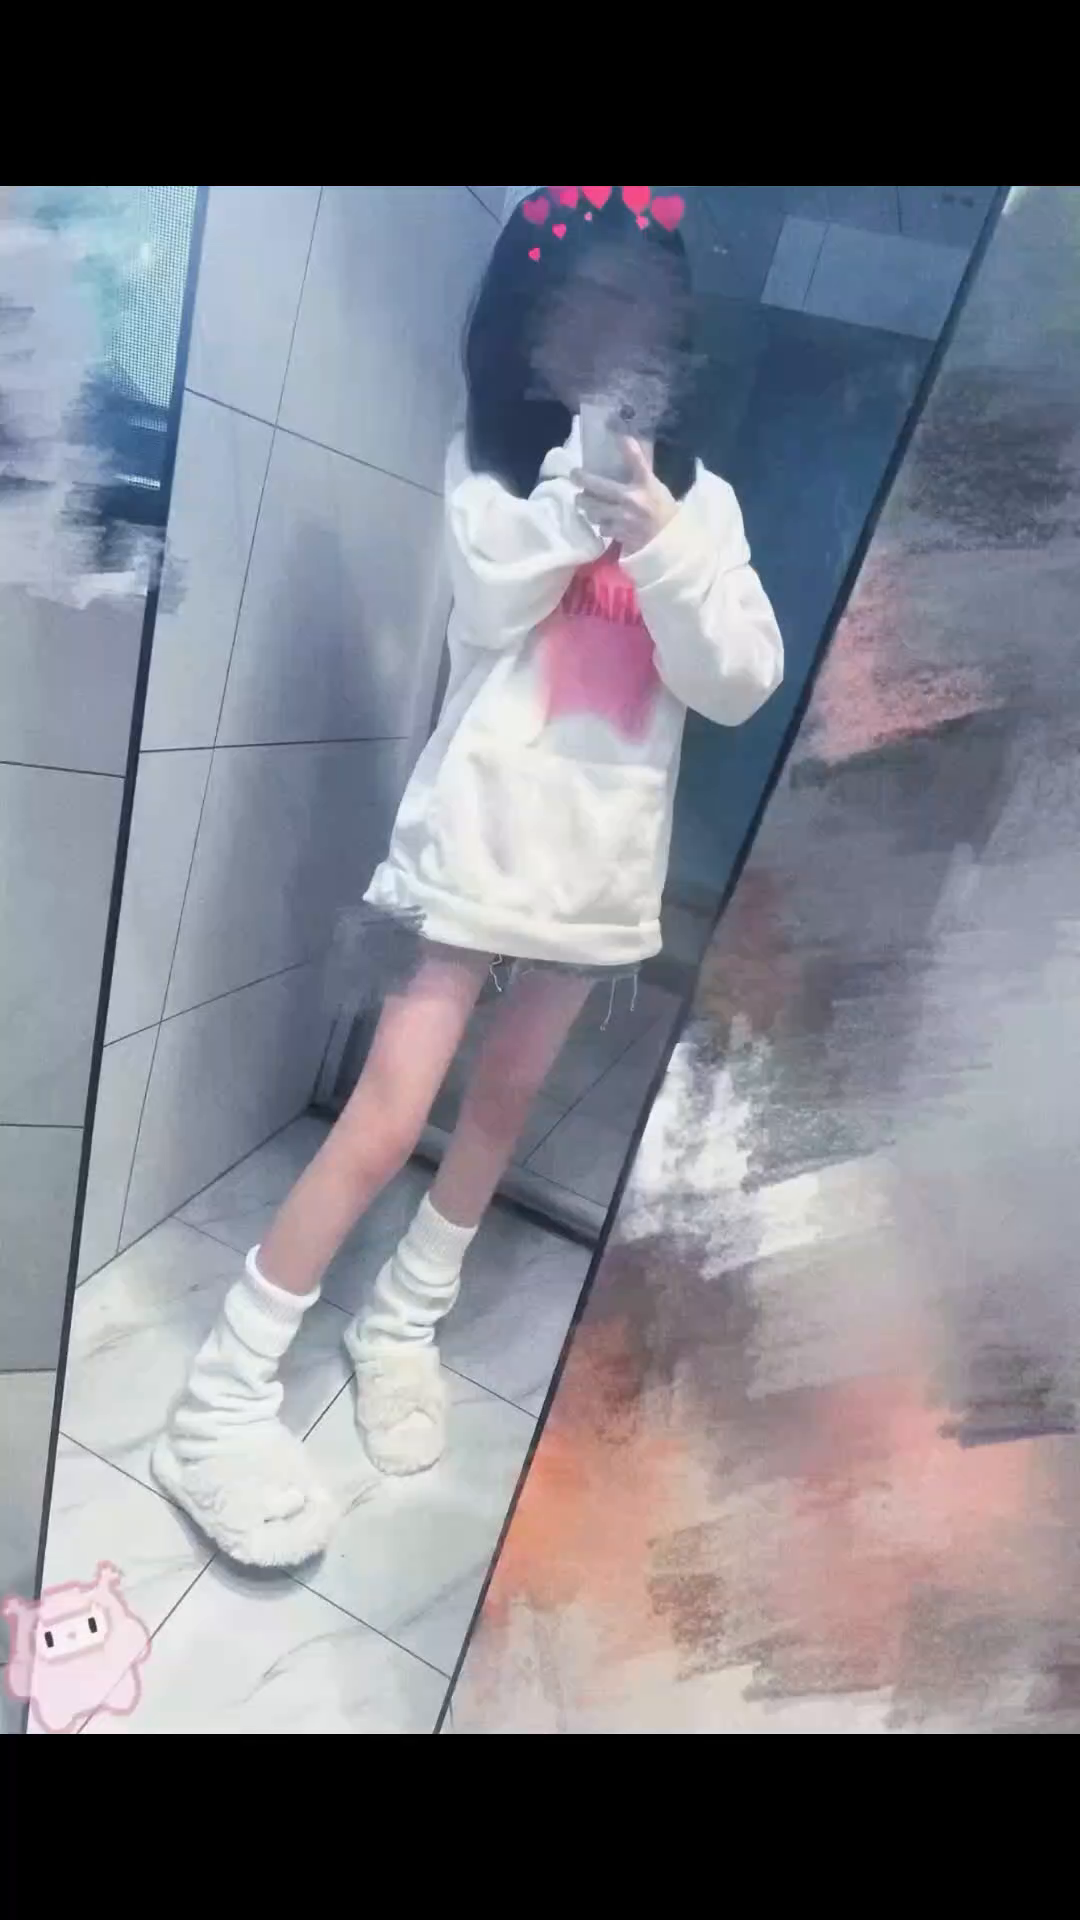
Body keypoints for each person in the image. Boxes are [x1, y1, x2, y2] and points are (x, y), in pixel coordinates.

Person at [150, 186, 784, 1566]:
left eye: (641, 307)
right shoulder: (492, 463)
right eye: (587, 303)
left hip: (594, 879)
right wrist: (575, 498)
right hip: (467, 854)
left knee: (500, 1111)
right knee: (386, 1115)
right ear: (535, 323)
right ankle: (219, 1401)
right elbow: (491, 604)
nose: (615, 332)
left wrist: (661, 532)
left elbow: (737, 681)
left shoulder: (708, 507)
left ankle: (403, 1323)